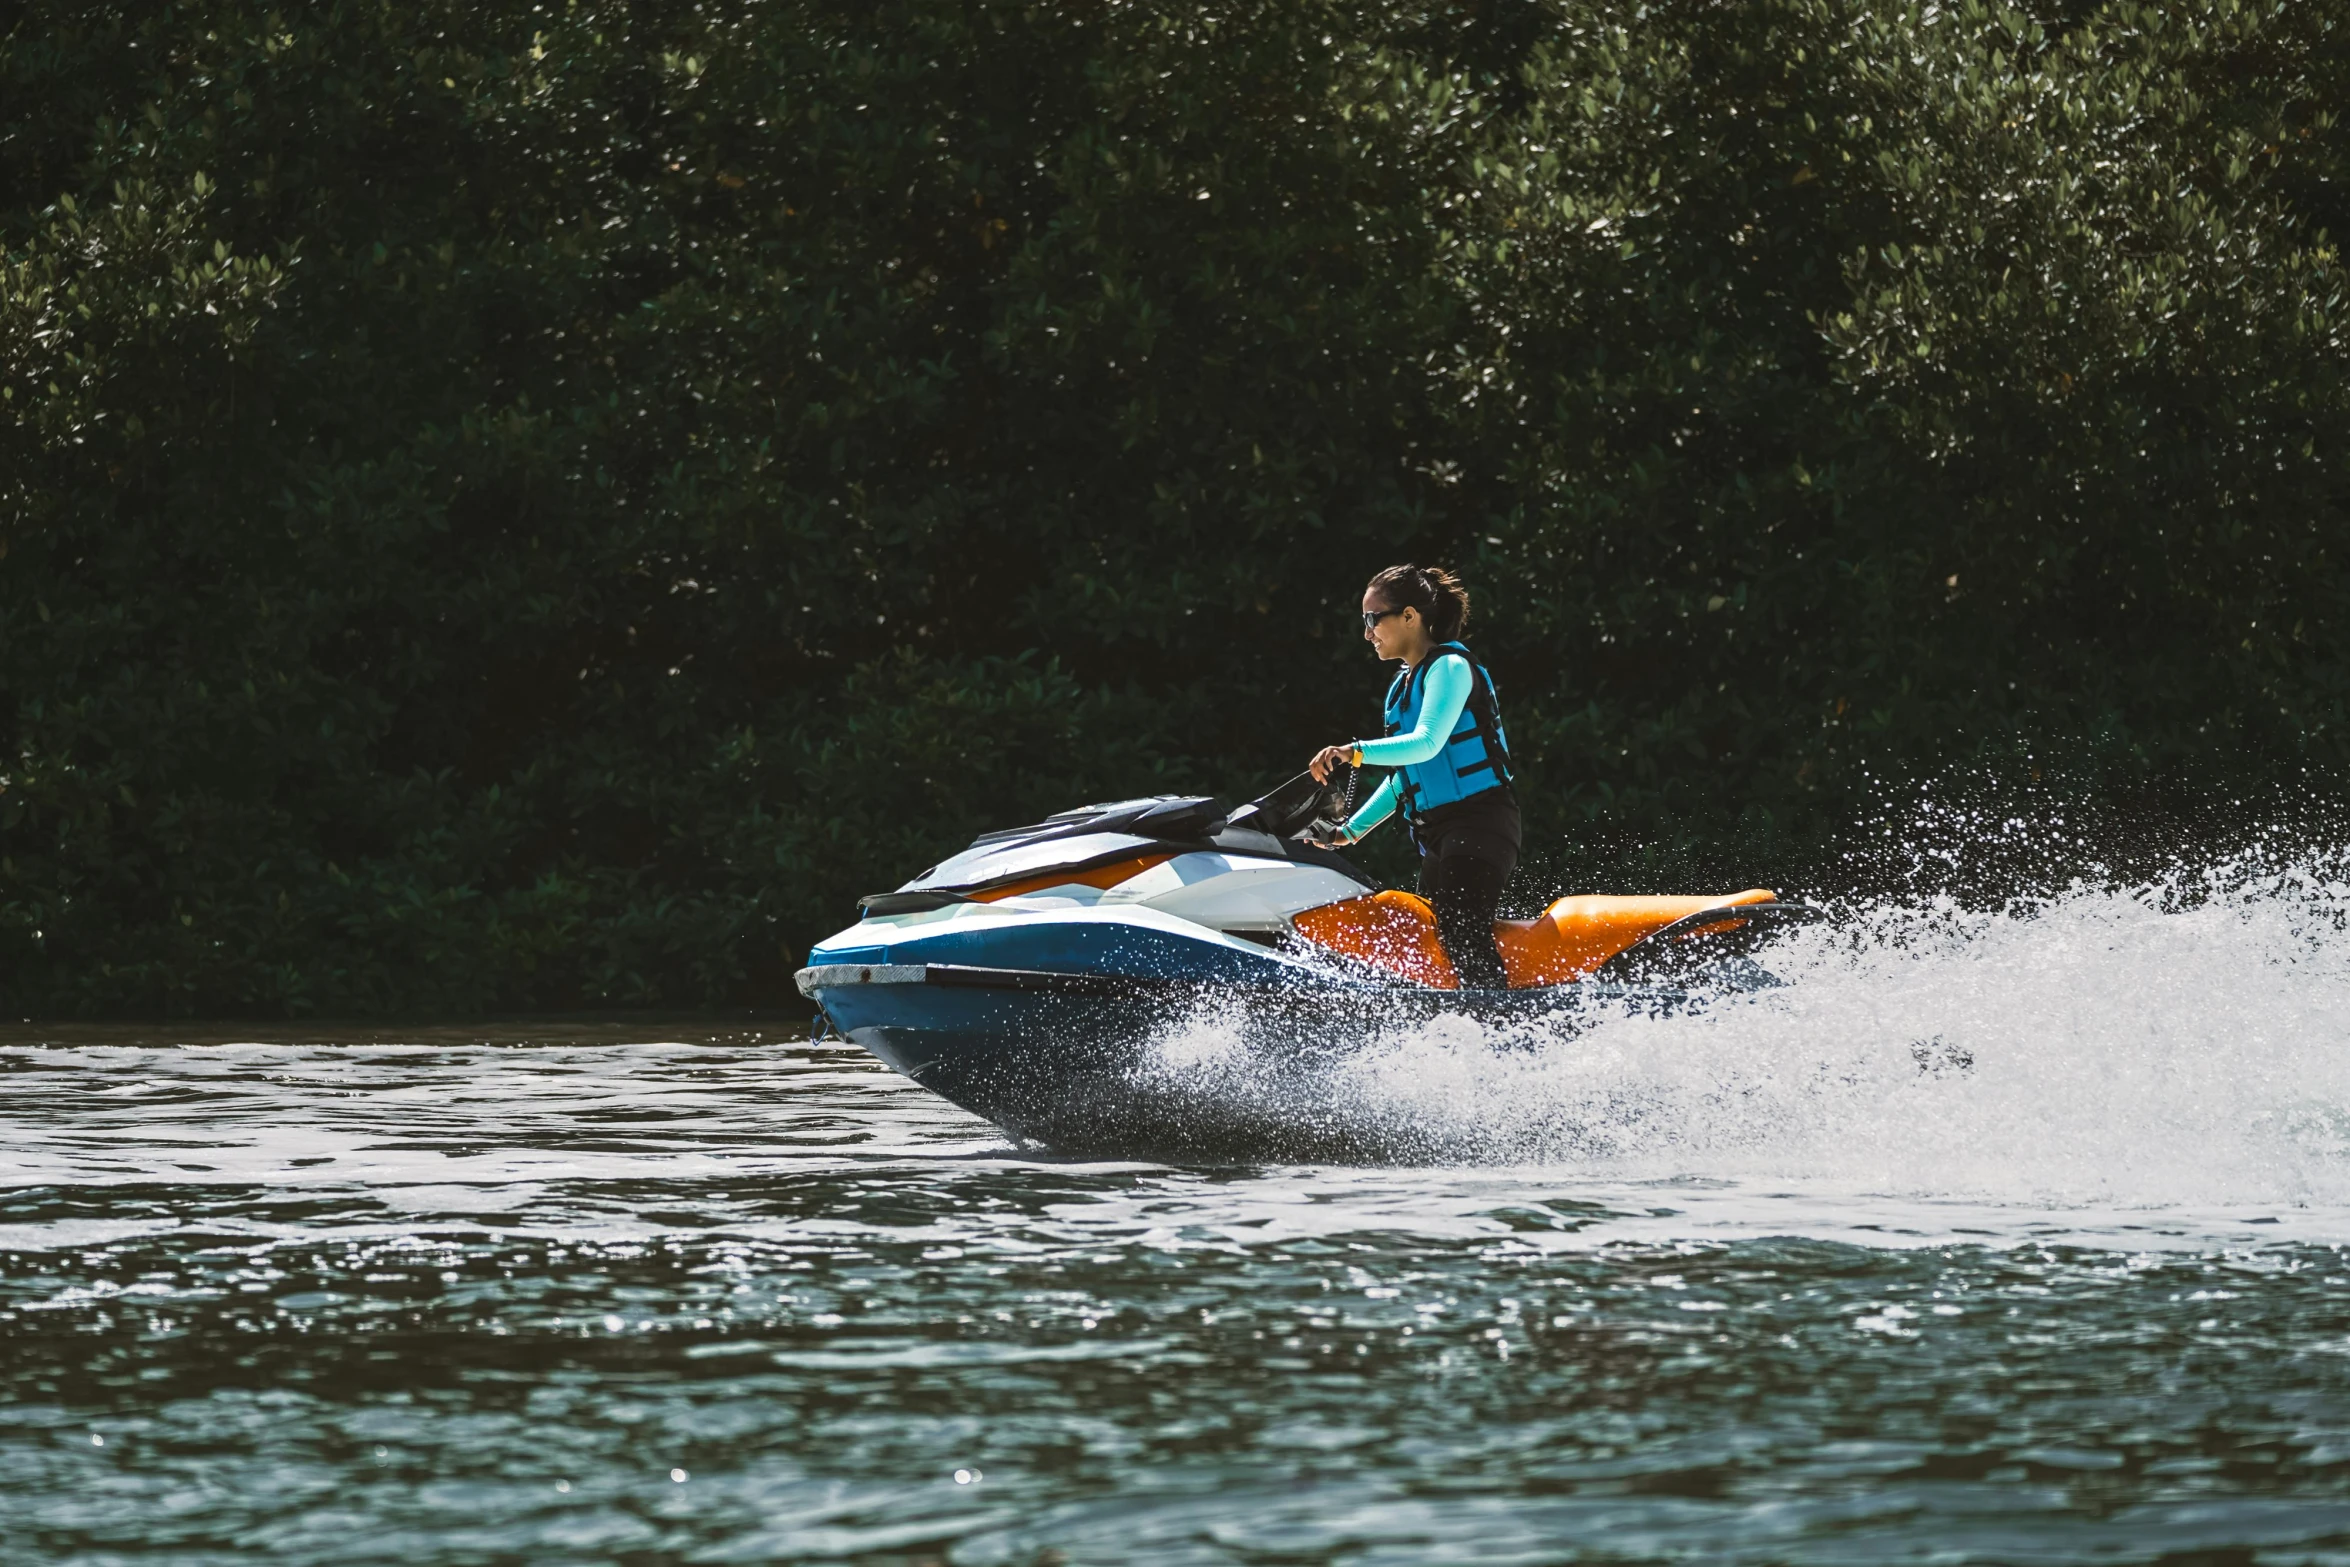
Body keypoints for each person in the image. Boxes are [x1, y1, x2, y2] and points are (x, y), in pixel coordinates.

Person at [1308, 564, 1521, 989]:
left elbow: (1427, 743)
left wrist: (1354, 752)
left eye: (1373, 619)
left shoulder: (1451, 668)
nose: (1367, 633)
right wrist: (1349, 832)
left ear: (1409, 616)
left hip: (1480, 822)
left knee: (1462, 933)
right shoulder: (1402, 686)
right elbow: (1408, 774)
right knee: (1433, 945)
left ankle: (1503, 1039)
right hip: (1437, 837)